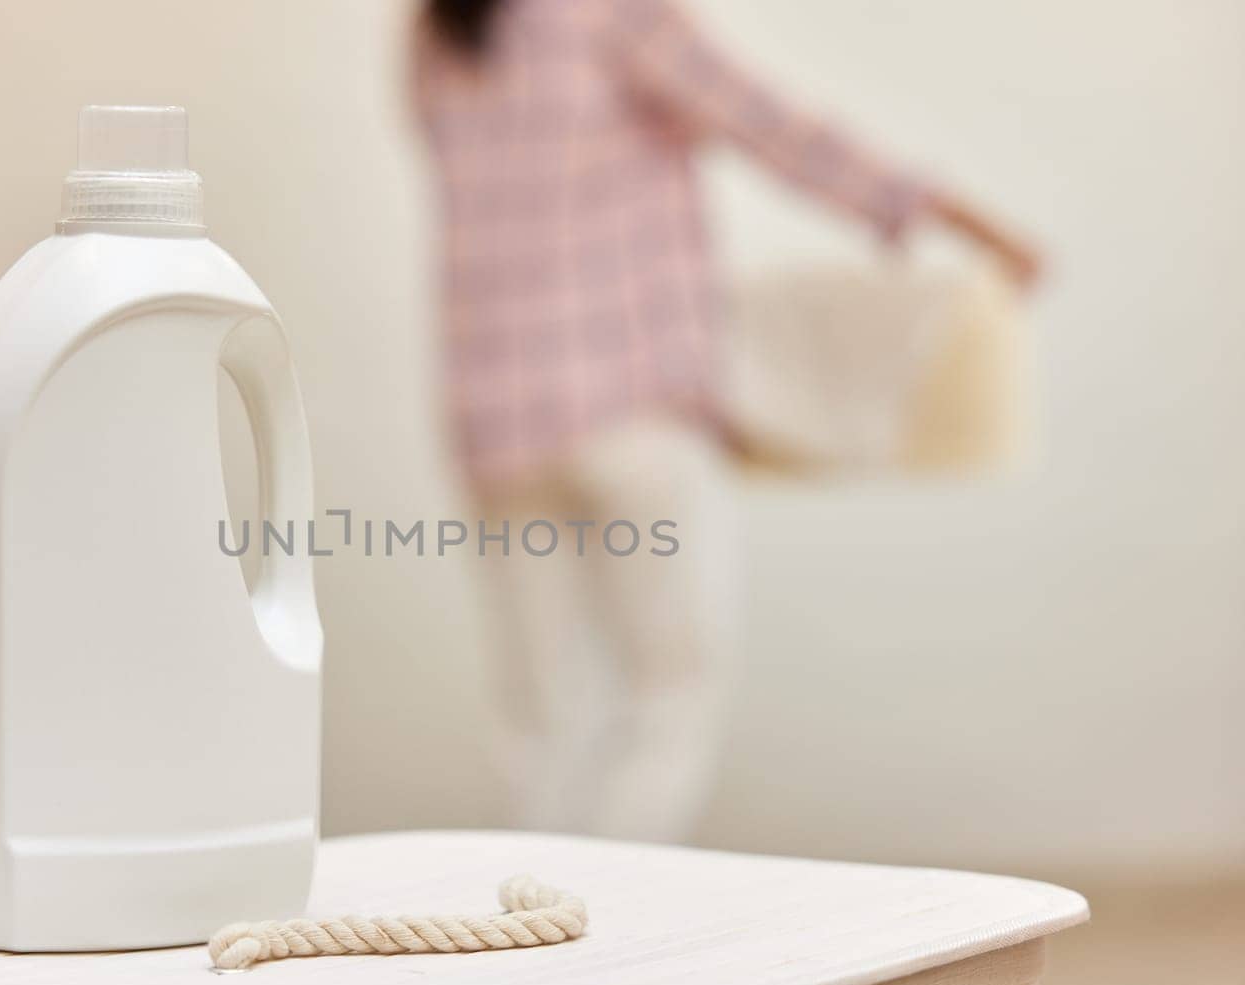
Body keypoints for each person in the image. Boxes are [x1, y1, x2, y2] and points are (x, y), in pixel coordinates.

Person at [409, 0, 1038, 841]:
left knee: (536, 718)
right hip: (632, 408)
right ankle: (606, 936)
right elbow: (780, 130)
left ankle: (528, 938)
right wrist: (973, 223)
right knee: (668, 693)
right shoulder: (612, 13)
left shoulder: (437, 30)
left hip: (494, 421)